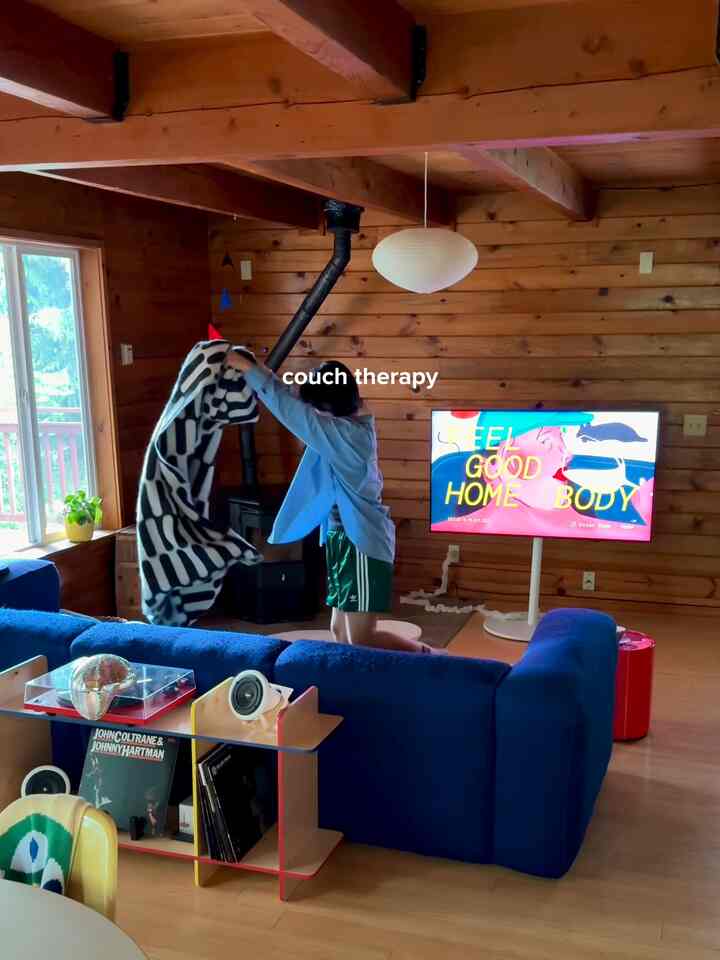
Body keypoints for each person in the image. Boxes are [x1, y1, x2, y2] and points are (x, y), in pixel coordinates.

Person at [226, 352, 432, 653]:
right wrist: (257, 366)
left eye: (318, 410)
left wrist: (247, 369)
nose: (315, 416)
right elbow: (293, 399)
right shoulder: (349, 420)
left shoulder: (347, 437)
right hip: (342, 539)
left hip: (361, 545)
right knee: (339, 630)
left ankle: (425, 657)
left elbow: (292, 411)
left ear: (332, 407)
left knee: (362, 637)